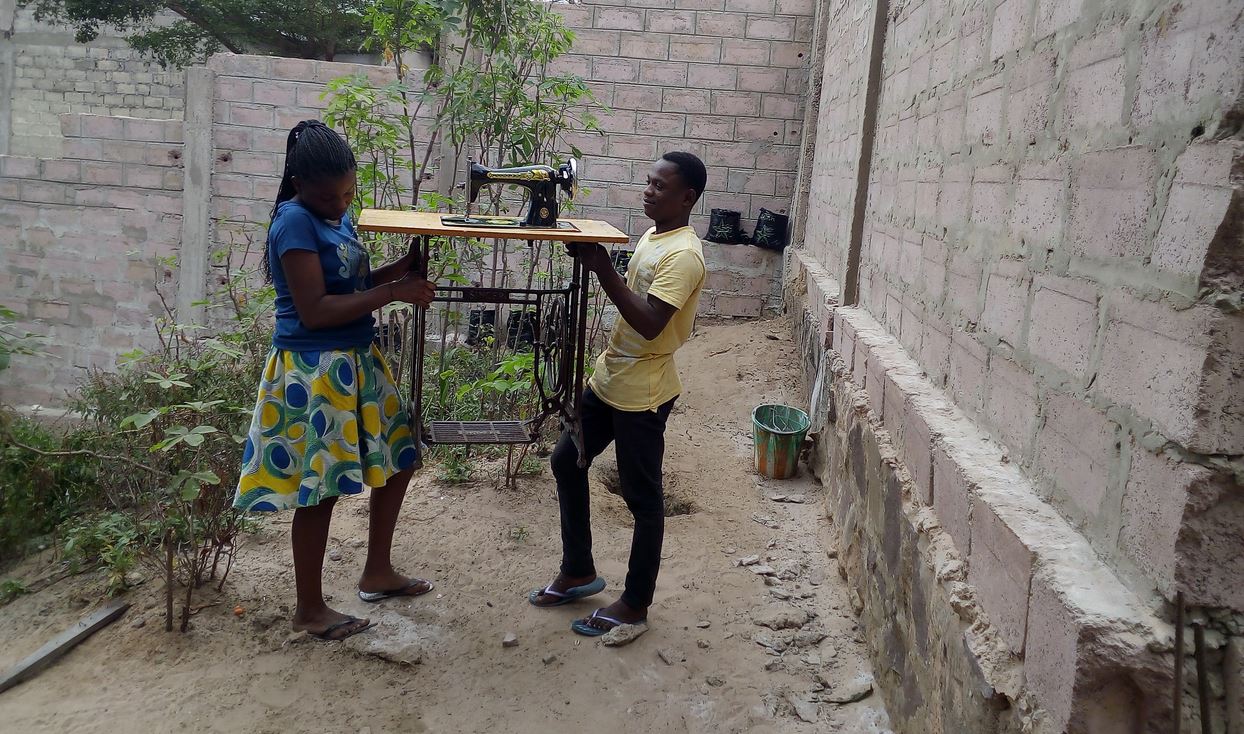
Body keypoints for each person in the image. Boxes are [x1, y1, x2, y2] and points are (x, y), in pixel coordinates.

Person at [233, 120, 437, 641]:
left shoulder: (331, 214)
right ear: (298, 184)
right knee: (320, 490)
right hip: (314, 369)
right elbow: (317, 309)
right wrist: (392, 294)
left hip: (355, 360)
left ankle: (377, 572)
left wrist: (397, 271)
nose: (341, 205)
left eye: (348, 194)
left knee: (401, 457)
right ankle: (309, 609)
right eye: (330, 197)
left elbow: (350, 284)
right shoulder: (294, 222)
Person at [529, 151, 708, 636]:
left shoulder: (684, 255)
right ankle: (578, 570)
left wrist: (602, 268)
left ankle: (634, 603)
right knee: (567, 461)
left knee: (642, 498)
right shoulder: (654, 235)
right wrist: (595, 261)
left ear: (687, 198)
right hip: (611, 379)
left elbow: (650, 323)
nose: (648, 191)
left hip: (642, 394)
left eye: (660, 186)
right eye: (648, 182)